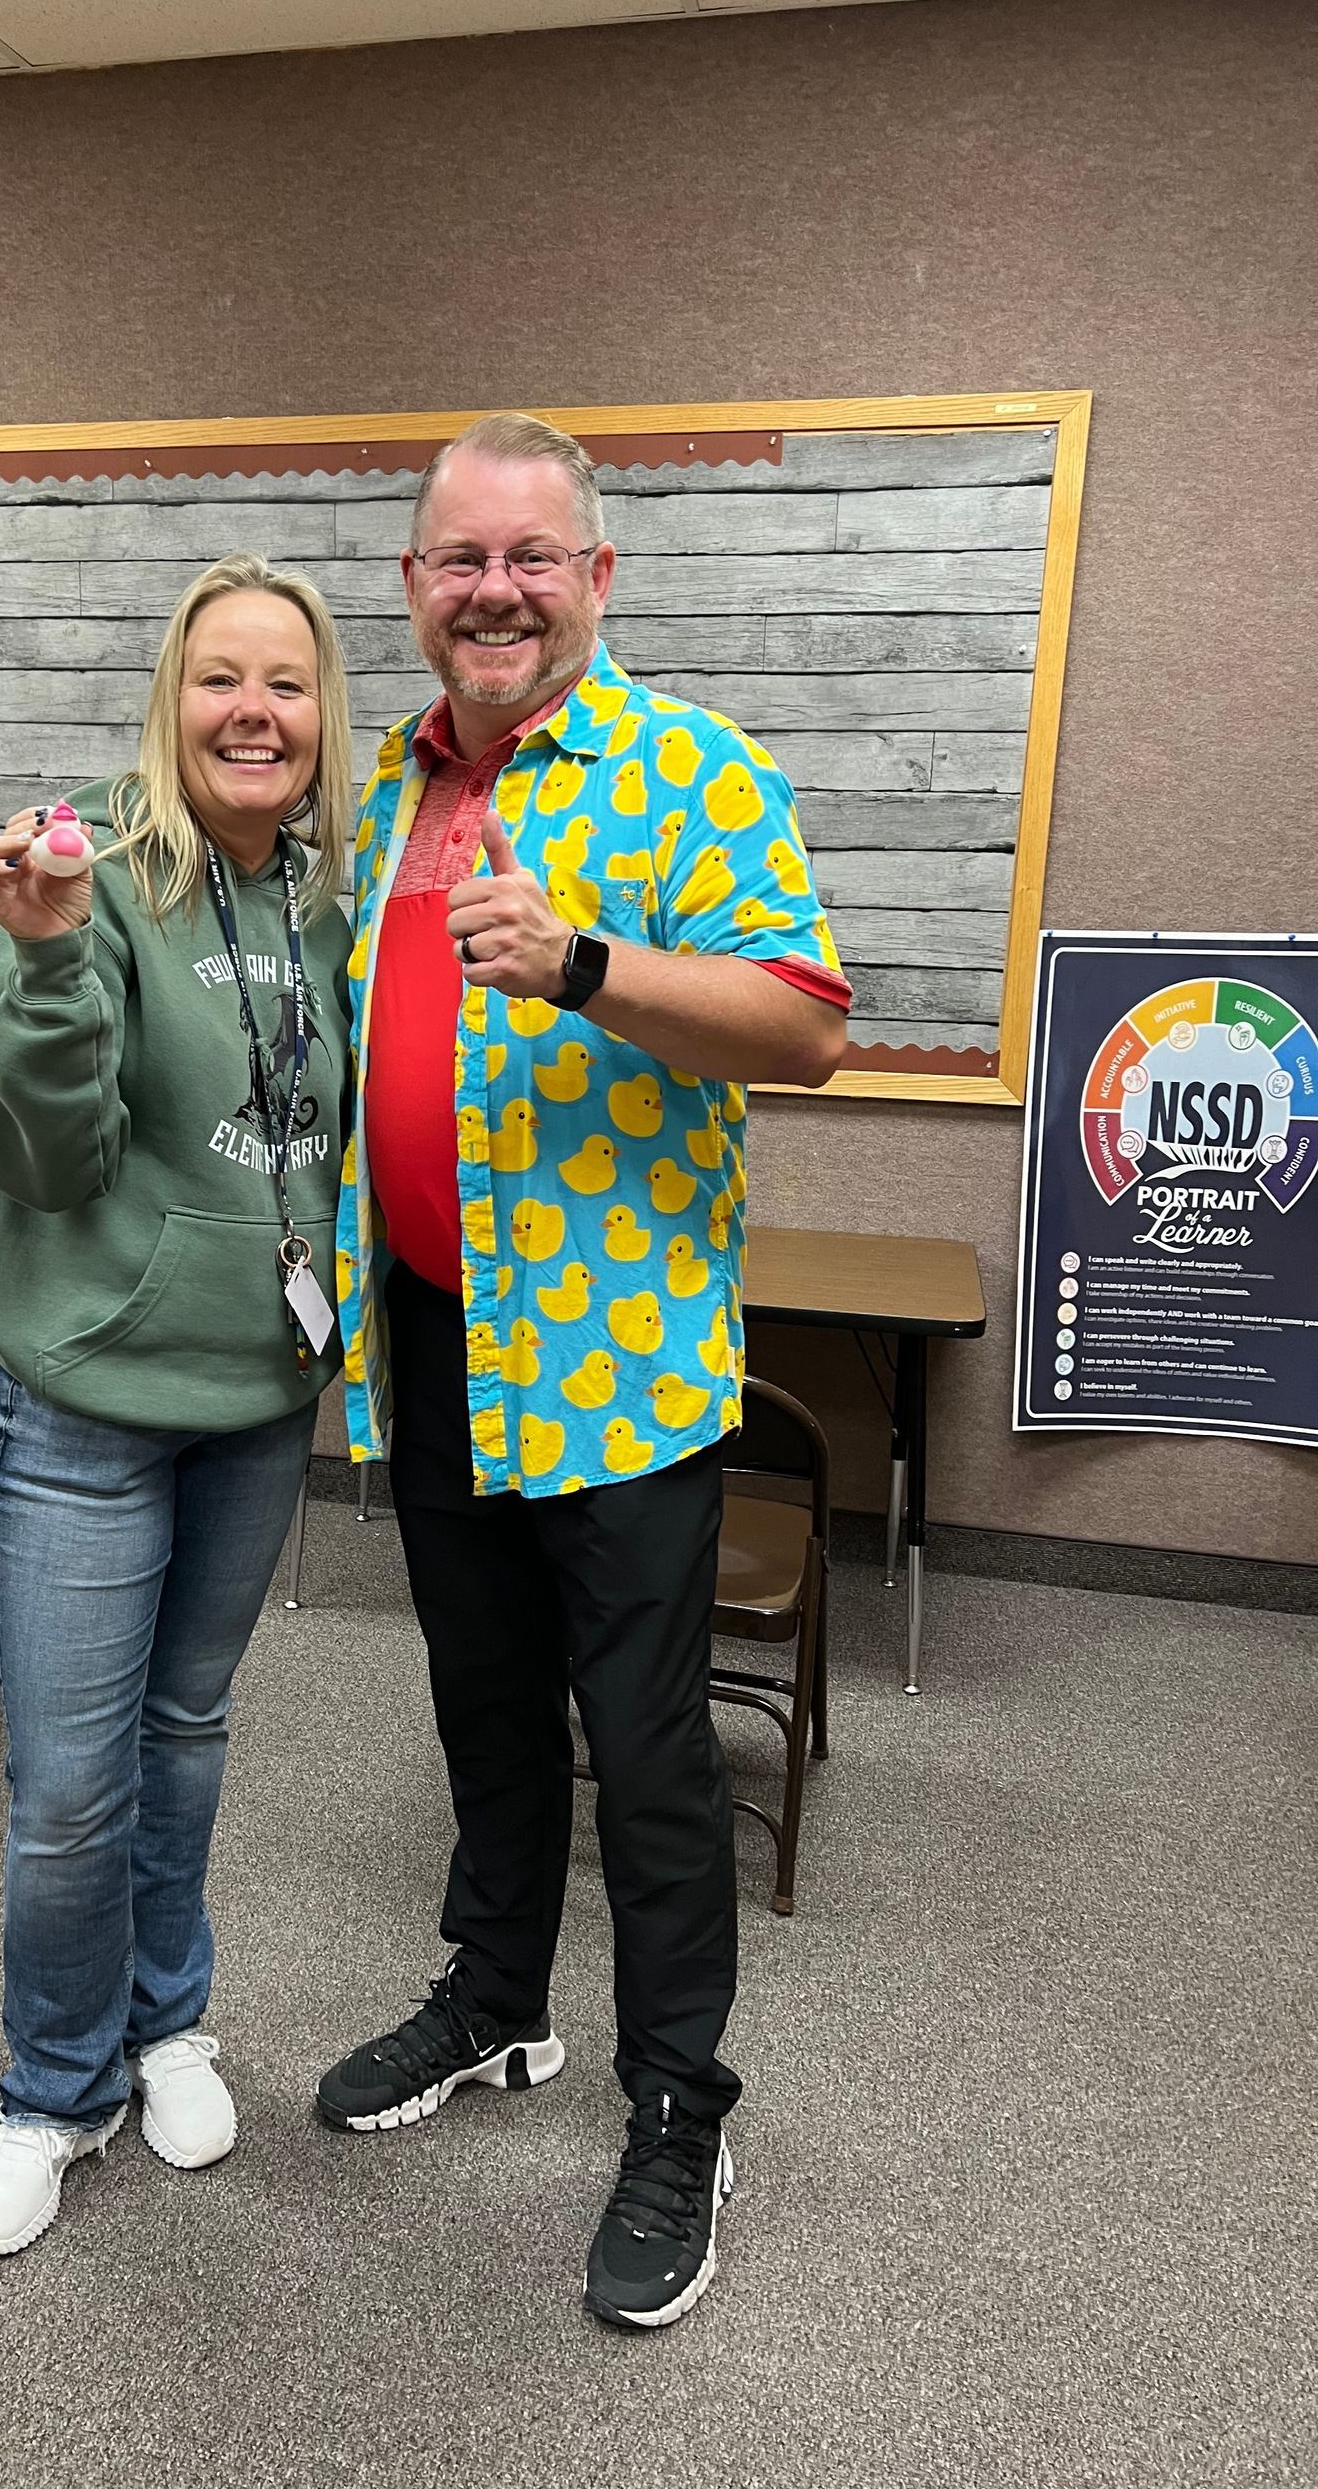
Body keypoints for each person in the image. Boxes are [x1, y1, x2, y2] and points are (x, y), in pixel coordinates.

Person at [318, 413, 851, 2329]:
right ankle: (494, 2002)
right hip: (431, 1343)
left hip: (612, 1365)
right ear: (414, 587)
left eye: (534, 557)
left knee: (645, 1758)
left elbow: (802, 1028)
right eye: (462, 559)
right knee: (478, 1712)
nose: (497, 592)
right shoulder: (379, 791)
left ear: (597, 579)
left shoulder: (688, 774)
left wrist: (586, 964)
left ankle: (680, 2105)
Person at [0, 553, 354, 2257]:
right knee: (70, 1785)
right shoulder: (92, 875)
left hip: (258, 1395)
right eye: (219, 680)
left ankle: (166, 2021)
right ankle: (53, 2093)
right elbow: (37, 1156)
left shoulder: (328, 900)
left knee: (185, 1736)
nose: (252, 712)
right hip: (89, 1397)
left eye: (287, 683)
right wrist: (44, 969)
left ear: (328, 719)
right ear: (169, 701)